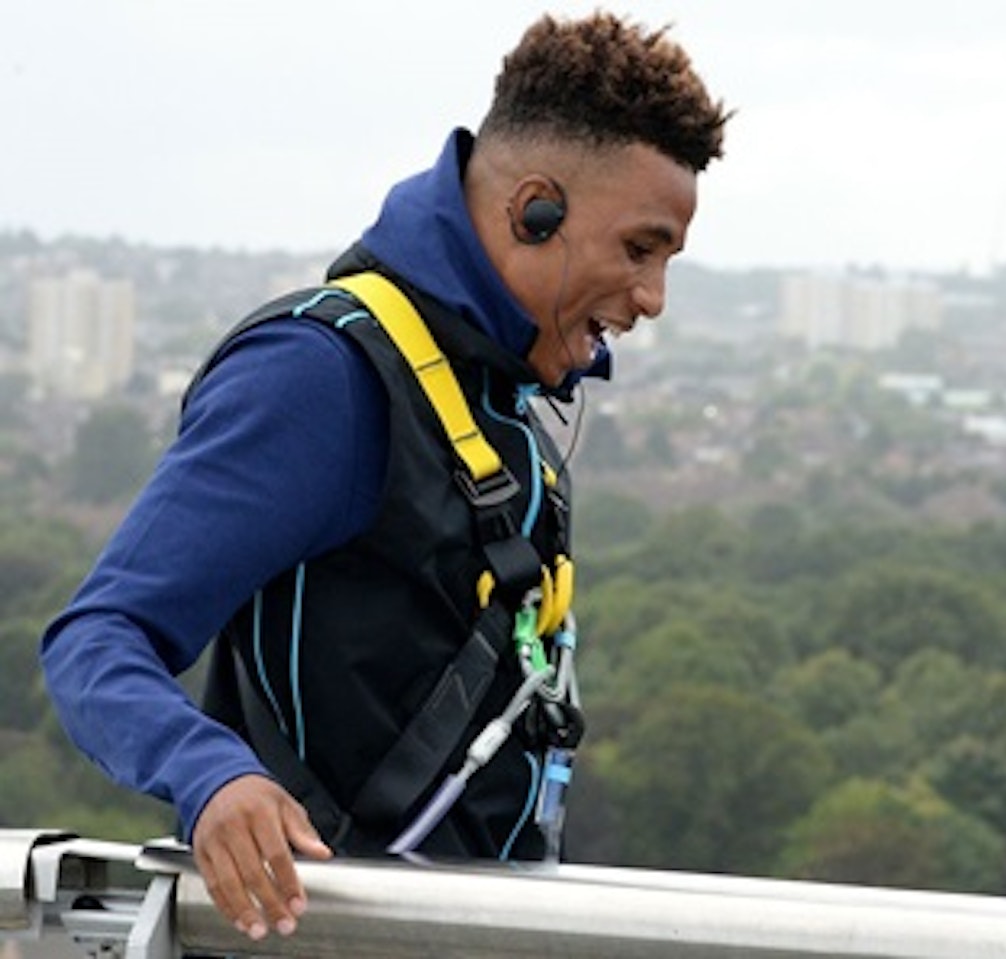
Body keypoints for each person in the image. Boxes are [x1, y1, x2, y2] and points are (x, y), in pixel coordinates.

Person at [40, 10, 728, 943]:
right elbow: (96, 638)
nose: (652, 299)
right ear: (535, 210)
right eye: (639, 250)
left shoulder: (492, 385)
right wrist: (210, 774)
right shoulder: (321, 377)